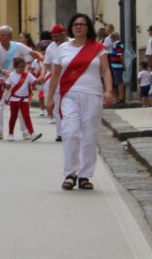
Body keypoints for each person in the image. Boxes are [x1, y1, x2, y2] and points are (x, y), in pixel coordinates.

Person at [46, 12, 114, 191]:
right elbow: (55, 74)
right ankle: (70, 173)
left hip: (93, 95)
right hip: (69, 95)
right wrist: (50, 98)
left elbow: (106, 70)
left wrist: (108, 90)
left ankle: (84, 175)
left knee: (89, 135)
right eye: (75, 24)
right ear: (71, 28)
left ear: (88, 28)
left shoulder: (98, 48)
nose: (78, 27)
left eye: (82, 24)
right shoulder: (63, 49)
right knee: (70, 132)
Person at [3, 56, 42, 142]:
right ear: (16, 67)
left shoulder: (27, 75)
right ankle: (10, 134)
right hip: (14, 99)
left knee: (26, 116)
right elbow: (8, 86)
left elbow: (35, 82)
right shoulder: (11, 75)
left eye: (24, 66)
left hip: (24, 99)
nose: (22, 68)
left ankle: (32, 133)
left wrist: (41, 79)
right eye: (20, 67)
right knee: (13, 117)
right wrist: (3, 83)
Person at [107, 29, 126, 105]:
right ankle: (119, 97)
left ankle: (121, 98)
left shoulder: (118, 44)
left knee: (119, 82)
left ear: (114, 38)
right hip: (114, 65)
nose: (110, 40)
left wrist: (123, 64)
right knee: (117, 82)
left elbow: (120, 55)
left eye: (111, 38)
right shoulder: (115, 44)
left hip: (118, 66)